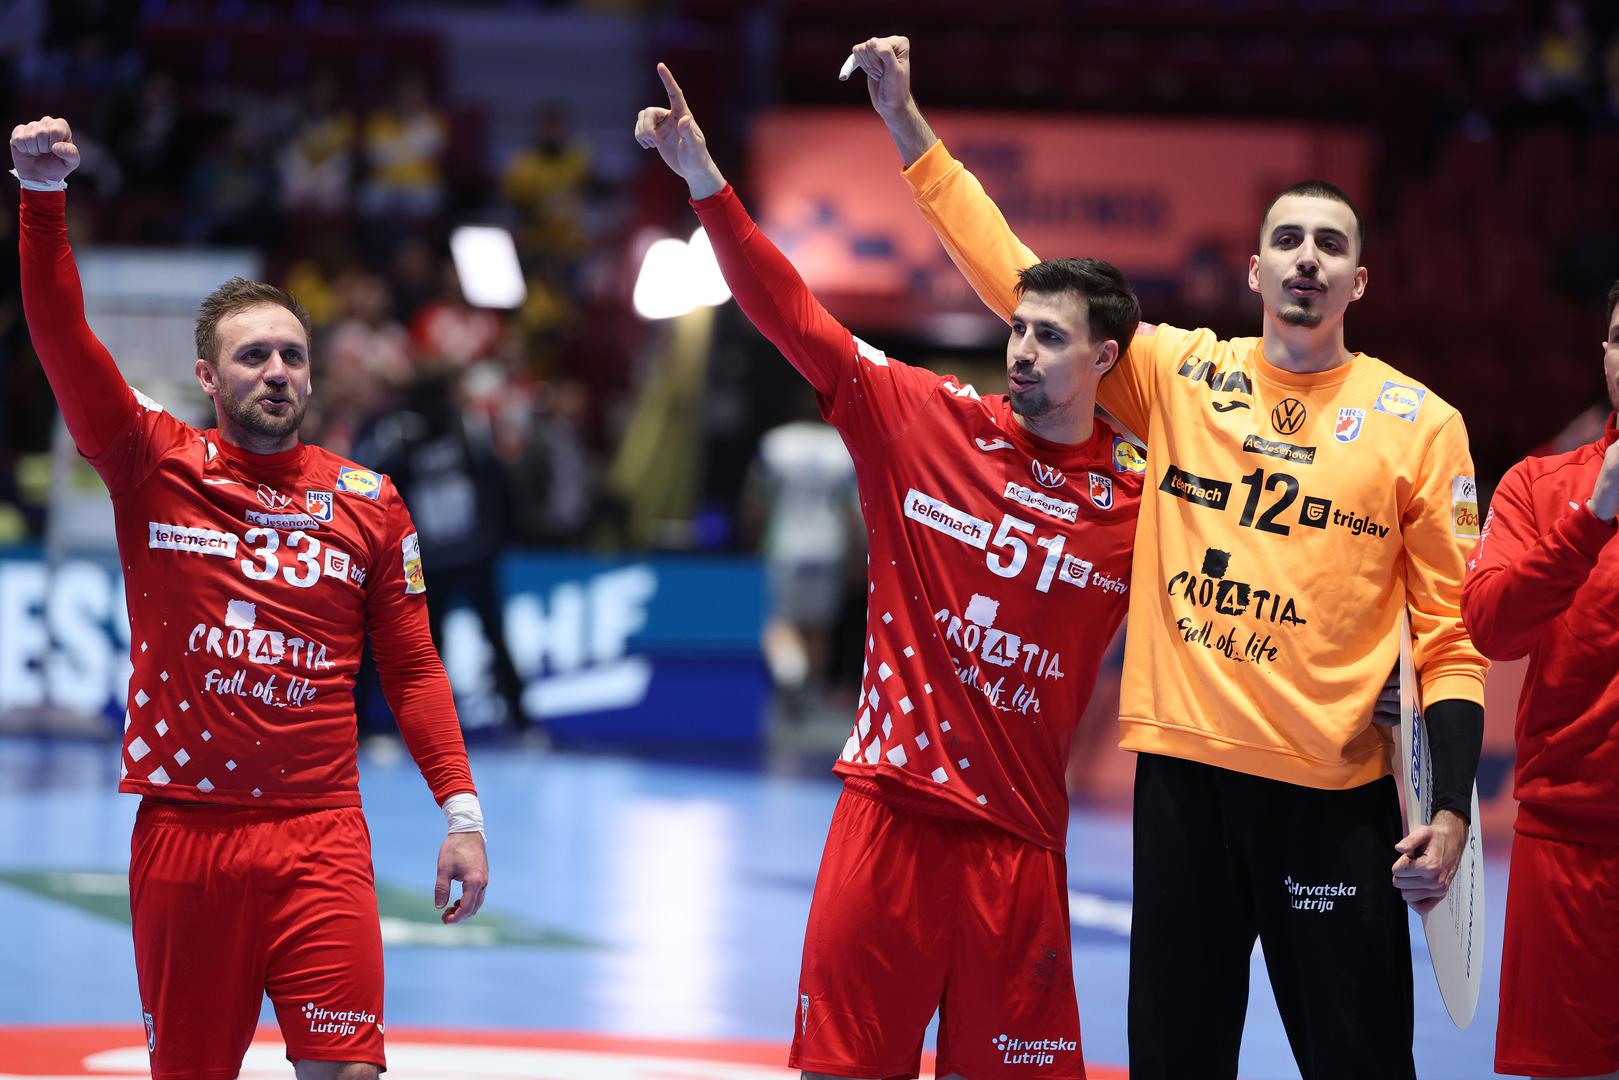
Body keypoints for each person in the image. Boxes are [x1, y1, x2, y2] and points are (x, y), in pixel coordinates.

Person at [844, 36, 1487, 1079]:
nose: (1307, 258)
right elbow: (1020, 280)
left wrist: (1449, 805)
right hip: (1185, 788)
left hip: (1333, 803)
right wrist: (906, 126)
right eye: (1287, 240)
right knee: (1174, 1060)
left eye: (1329, 244)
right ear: (1255, 269)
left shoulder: (1421, 424)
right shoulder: (1179, 376)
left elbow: (1451, 638)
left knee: (1359, 1061)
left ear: (1357, 280)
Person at [637, 63, 1144, 1080]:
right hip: (887, 819)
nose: (1022, 351)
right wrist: (703, 183)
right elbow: (794, 316)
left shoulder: (1142, 502)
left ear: (1105, 360)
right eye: (1016, 328)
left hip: (1018, 849)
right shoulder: (924, 421)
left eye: (1050, 337)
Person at [12, 115, 489, 1080]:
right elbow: (60, 337)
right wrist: (42, 199)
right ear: (207, 376)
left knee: (349, 1072)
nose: (277, 372)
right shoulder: (151, 463)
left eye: (292, 356)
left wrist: (463, 816)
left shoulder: (369, 501)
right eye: (253, 356)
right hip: (186, 833)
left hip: (322, 835)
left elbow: (412, 668)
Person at [1462, 283, 1619, 1080]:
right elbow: (1491, 626)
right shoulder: (1537, 484)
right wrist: (1590, 521)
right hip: (1566, 852)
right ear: (1604, 355)